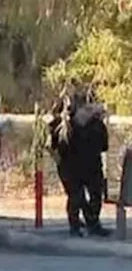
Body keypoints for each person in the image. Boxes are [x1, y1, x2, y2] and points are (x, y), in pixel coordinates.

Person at [49, 88, 110, 237]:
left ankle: (87, 223)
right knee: (80, 197)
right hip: (77, 166)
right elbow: (57, 147)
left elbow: (104, 146)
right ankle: (84, 224)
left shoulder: (93, 125)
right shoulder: (65, 126)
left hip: (83, 166)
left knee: (87, 196)